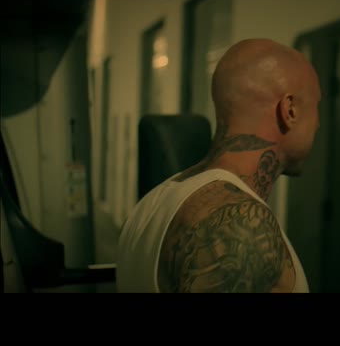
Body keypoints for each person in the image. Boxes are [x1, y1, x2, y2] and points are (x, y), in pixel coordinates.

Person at [116, 38, 322, 293]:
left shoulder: (149, 205)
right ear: (289, 110)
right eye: (316, 106)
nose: (318, 124)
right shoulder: (239, 223)